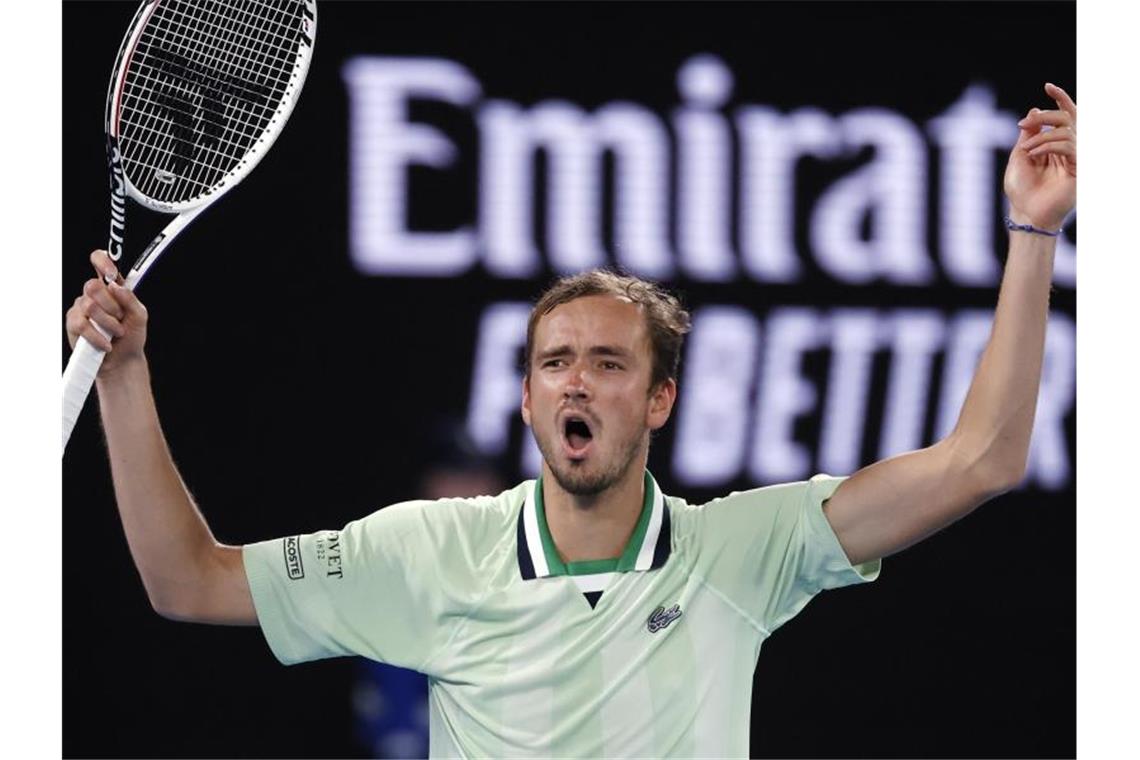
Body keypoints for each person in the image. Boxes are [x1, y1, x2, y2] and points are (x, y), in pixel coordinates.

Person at [65, 83, 1075, 757]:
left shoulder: (740, 549)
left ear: (661, 399)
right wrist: (125, 374)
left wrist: (1033, 232)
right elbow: (186, 579)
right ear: (528, 398)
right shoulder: (434, 550)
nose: (575, 384)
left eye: (606, 363)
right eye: (553, 364)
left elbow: (981, 459)